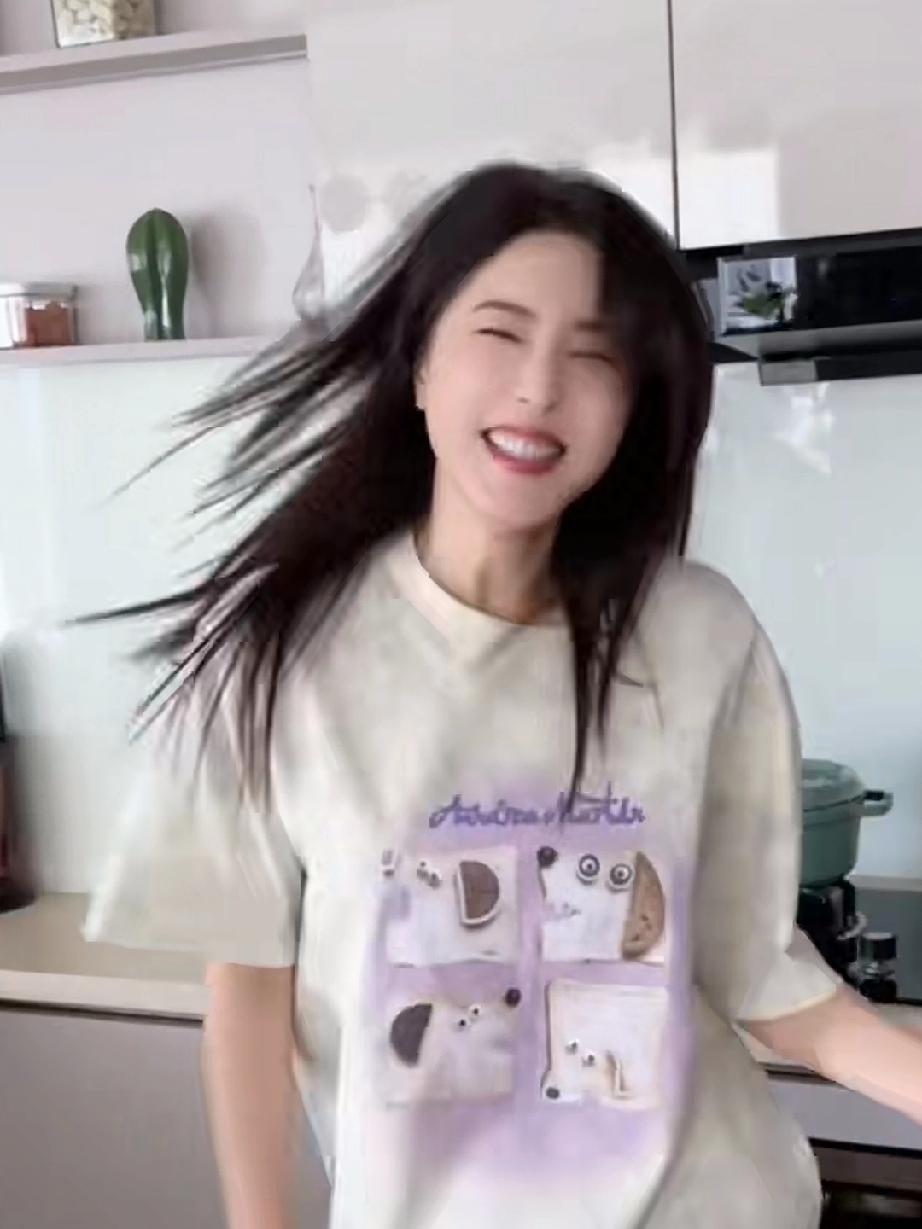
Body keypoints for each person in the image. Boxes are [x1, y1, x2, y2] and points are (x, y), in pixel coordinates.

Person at [85, 163, 922, 1229]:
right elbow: (249, 988)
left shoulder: (701, 634)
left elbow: (760, 974)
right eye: (500, 331)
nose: (538, 388)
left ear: (633, 408)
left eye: (594, 355)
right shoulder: (276, 654)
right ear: (420, 362)